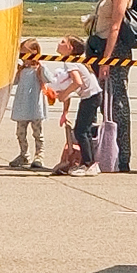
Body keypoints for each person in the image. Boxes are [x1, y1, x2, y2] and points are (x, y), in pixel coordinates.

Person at [90, 0, 137, 173]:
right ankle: (108, 150)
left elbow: (116, 26)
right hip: (101, 47)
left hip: (115, 50)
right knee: (104, 103)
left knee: (117, 103)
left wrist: (107, 59)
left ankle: (122, 156)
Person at [46, 37, 96, 174]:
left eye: (63, 42)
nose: (59, 43)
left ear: (70, 48)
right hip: (92, 96)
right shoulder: (71, 62)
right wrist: (64, 108)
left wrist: (63, 95)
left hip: (90, 97)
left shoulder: (70, 62)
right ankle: (90, 163)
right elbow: (69, 84)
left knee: (81, 131)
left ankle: (87, 164)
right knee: (83, 130)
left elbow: (77, 82)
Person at [6, 37, 45, 169]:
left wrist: (41, 66)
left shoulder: (38, 69)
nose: (23, 57)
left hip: (34, 106)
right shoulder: (22, 70)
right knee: (20, 133)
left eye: (25, 53)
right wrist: (15, 70)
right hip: (22, 106)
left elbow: (48, 79)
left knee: (37, 133)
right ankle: (24, 154)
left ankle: (39, 155)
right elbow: (14, 82)